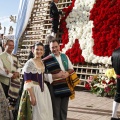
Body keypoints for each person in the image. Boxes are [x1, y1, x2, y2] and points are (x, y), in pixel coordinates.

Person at [43, 40, 80, 120]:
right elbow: (43, 75)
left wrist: (67, 73)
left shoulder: (64, 56)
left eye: (56, 47)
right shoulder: (46, 60)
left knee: (64, 109)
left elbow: (71, 69)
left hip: (65, 85)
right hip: (54, 87)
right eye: (52, 47)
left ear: (59, 47)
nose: (55, 49)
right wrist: (55, 76)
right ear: (50, 49)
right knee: (55, 111)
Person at [17, 42, 53, 120]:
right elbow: (27, 81)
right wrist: (32, 96)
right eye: (37, 49)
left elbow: (42, 76)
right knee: (36, 114)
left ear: (43, 51)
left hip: (43, 91)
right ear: (33, 50)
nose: (39, 51)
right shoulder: (30, 63)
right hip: (33, 90)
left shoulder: (42, 62)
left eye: (41, 50)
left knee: (44, 113)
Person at [0, 39, 21, 119]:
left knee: (14, 106)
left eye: (13, 45)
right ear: (5, 45)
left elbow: (19, 67)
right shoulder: (1, 56)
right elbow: (1, 70)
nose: (12, 47)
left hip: (14, 85)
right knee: (5, 106)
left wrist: (18, 73)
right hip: (4, 83)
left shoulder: (15, 57)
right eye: (10, 45)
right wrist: (11, 75)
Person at [111, 47, 120, 120]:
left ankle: (113, 115)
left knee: (118, 95)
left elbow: (113, 64)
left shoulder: (115, 52)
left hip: (118, 76)